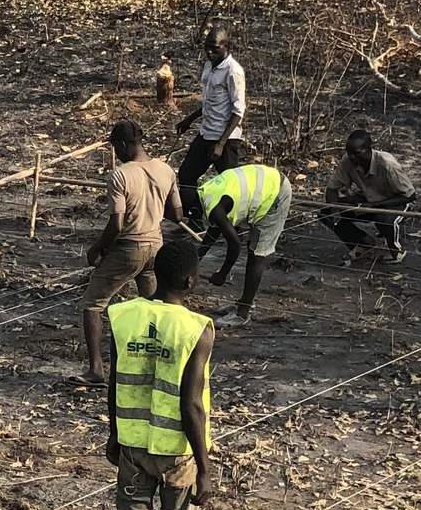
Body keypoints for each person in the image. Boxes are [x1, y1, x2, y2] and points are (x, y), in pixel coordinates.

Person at [97, 235, 219, 510]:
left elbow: (115, 382)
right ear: (191, 281)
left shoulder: (123, 315)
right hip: (177, 454)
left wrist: (114, 435)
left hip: (132, 445)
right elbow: (192, 404)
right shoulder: (197, 329)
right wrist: (204, 467)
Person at [82, 119, 183, 383]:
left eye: (115, 147)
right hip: (156, 248)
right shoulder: (165, 170)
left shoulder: (120, 175)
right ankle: (157, 366)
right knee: (154, 307)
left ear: (124, 145)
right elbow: (177, 214)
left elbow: (116, 224)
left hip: (129, 248)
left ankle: (96, 371)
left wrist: (96, 249)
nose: (115, 152)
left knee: (93, 305)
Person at [198, 138, 293, 324]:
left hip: (275, 193)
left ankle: (243, 312)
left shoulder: (214, 208)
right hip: (264, 182)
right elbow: (216, 227)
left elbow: (234, 245)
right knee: (253, 249)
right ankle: (242, 303)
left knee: (256, 253)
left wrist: (221, 275)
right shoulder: (206, 192)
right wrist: (198, 255)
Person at [174, 28, 246, 217]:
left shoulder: (233, 71)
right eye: (206, 48)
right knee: (186, 176)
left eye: (214, 48)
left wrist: (221, 144)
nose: (209, 52)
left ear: (226, 46)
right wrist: (189, 119)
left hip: (226, 139)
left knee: (230, 186)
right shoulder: (209, 65)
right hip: (206, 132)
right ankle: (195, 221)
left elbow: (238, 111)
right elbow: (210, 102)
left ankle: (234, 229)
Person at [326, 127, 416, 261]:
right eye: (349, 152)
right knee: (326, 213)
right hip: (367, 201)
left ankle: (396, 251)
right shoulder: (348, 160)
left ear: (368, 149)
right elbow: (332, 189)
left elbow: (410, 196)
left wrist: (374, 206)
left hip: (395, 201)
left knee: (383, 220)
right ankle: (363, 243)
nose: (352, 157)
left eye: (356, 153)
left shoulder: (387, 164)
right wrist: (335, 209)